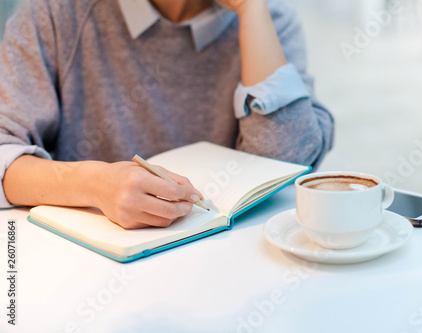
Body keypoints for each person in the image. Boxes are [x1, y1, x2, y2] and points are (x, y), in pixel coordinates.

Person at [0, 0, 334, 229]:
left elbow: (287, 164)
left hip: (226, 268)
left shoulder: (270, 18)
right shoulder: (56, 13)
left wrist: (251, 9)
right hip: (94, 266)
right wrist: (95, 185)